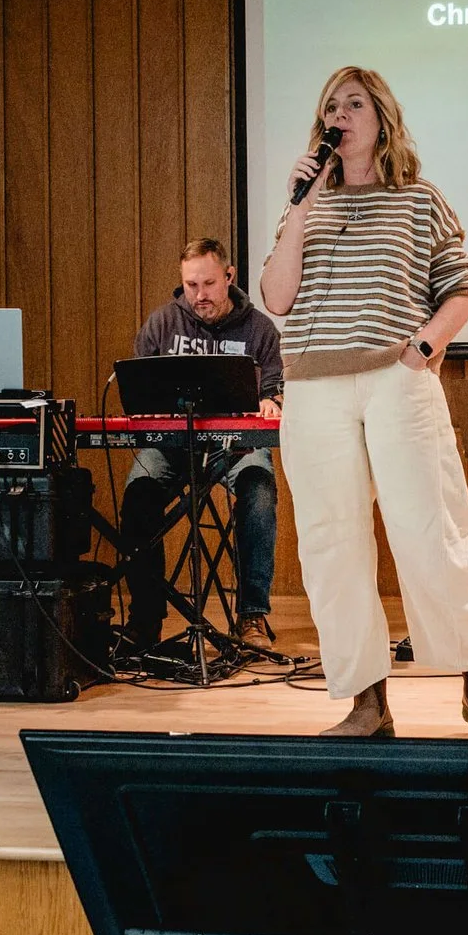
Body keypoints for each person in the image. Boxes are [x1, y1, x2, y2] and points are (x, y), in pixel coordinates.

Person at [259, 66, 468, 740]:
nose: (340, 113)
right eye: (330, 105)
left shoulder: (418, 199)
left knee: (430, 530)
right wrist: (299, 208)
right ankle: (366, 699)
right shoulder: (305, 204)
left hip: (395, 376)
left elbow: (460, 291)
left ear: (381, 117)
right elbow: (277, 297)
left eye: (354, 102)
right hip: (314, 384)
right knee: (330, 543)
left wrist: (423, 348)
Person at [120, 238, 284, 650]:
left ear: (229, 277)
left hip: (236, 446)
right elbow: (138, 393)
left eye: (208, 283)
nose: (199, 294)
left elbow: (277, 391)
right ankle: (145, 620)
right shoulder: (162, 324)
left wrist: (271, 401)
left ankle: (252, 616)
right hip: (172, 444)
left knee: (258, 488)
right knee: (138, 492)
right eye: (191, 285)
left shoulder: (260, 329)